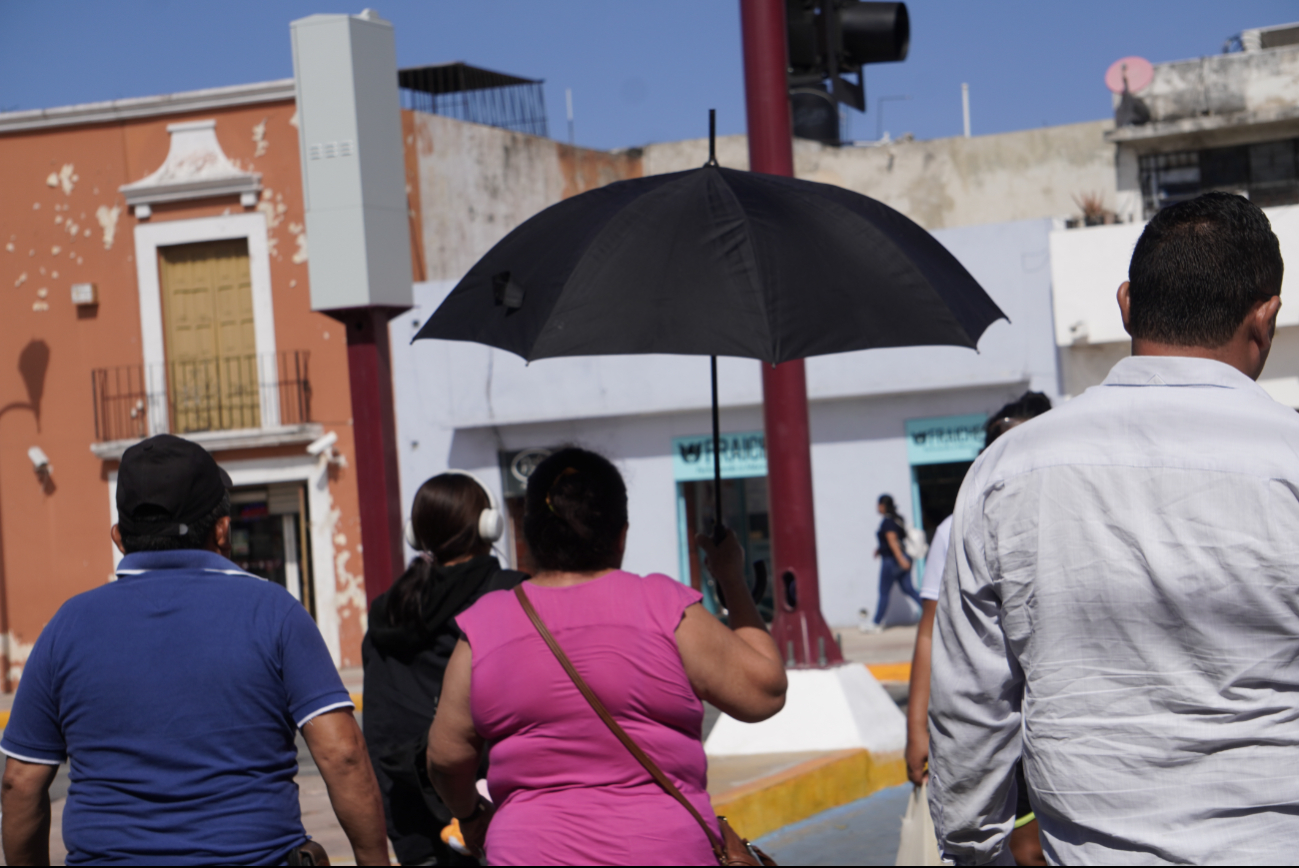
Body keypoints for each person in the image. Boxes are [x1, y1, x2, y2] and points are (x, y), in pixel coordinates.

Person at [929, 192, 1299, 864]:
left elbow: (970, 713)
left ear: (1125, 304)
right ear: (1265, 318)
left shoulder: (1007, 472)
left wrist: (970, 849)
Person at [0, 434, 388, 865]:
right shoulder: (274, 612)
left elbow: (20, 783)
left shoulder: (66, 626)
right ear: (222, 530)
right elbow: (344, 755)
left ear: (118, 537)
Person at [426, 447, 787, 866]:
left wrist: (470, 815)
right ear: (621, 535)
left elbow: (446, 758)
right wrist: (731, 580)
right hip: (663, 851)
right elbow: (765, 693)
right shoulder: (665, 606)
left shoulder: (485, 626)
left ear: (528, 536)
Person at [905, 392, 1051, 866]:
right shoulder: (960, 527)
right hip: (1000, 731)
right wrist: (916, 727)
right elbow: (930, 633)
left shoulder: (1070, 519)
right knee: (1025, 851)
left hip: (1061, 724)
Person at [363, 472, 526, 866]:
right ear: (490, 525)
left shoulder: (390, 609)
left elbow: (381, 731)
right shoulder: (515, 596)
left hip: (417, 828)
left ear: (414, 535)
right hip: (503, 821)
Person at [866, 494, 921, 632]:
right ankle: (934, 612)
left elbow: (893, 542)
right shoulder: (898, 519)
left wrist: (900, 559)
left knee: (884, 591)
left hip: (892, 561)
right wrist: (880, 550)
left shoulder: (888, 522)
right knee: (908, 589)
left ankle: (876, 623)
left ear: (883, 506)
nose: (877, 507)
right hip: (902, 558)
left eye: (878, 504)